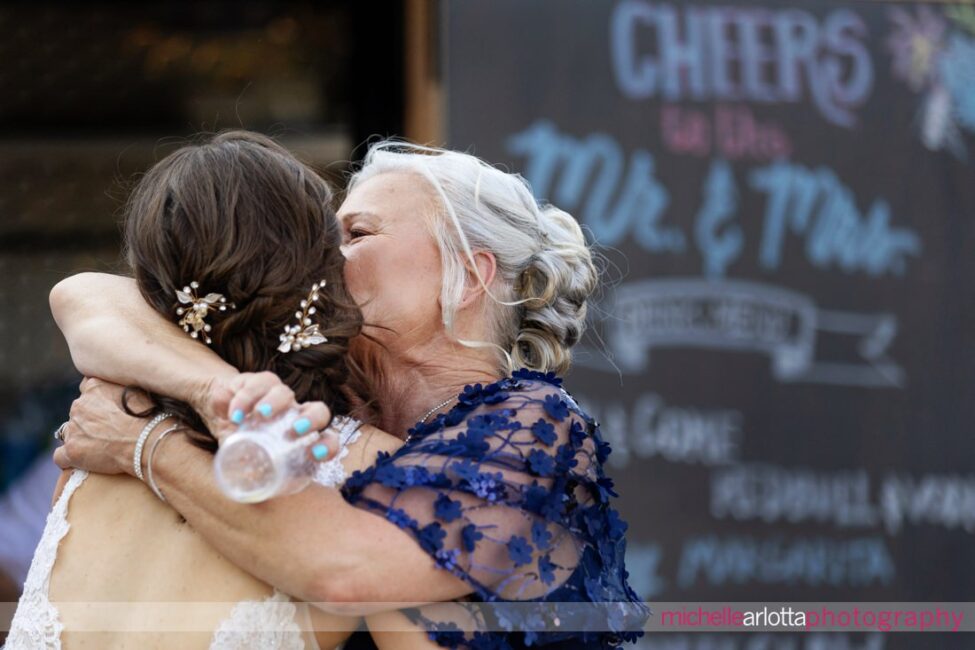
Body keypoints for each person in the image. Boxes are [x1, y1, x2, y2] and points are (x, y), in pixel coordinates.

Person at [46, 140, 650, 648]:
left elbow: (350, 572)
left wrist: (148, 444)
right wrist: (211, 388)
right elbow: (87, 296)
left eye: (356, 233)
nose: (324, 258)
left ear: (469, 275)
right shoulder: (315, 411)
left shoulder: (534, 423)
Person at [4, 130, 430, 650]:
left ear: (155, 289)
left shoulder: (102, 427)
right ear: (322, 268)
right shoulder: (378, 470)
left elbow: (87, 295)